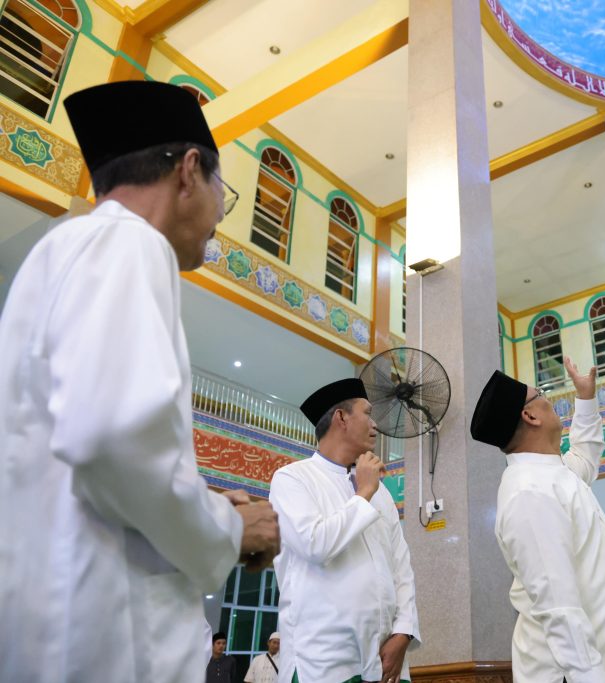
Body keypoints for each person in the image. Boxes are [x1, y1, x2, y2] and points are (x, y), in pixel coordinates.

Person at [0, 80, 280, 683]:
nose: (218, 218)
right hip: (106, 639)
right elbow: (110, 438)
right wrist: (228, 528)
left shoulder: (65, 248)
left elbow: (90, 453)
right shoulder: (130, 242)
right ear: (188, 171)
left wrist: (203, 503)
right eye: (223, 194)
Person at [471, 358, 605, 683]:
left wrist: (585, 398)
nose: (550, 400)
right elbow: (559, 608)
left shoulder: (553, 474)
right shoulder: (529, 492)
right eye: (541, 394)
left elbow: (585, 455)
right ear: (530, 416)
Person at [270, 378, 419, 683]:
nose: (375, 425)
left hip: (386, 661)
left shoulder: (381, 493)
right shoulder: (293, 479)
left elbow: (401, 568)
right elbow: (315, 544)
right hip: (323, 661)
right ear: (341, 417)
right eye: (368, 413)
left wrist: (403, 633)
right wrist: (363, 493)